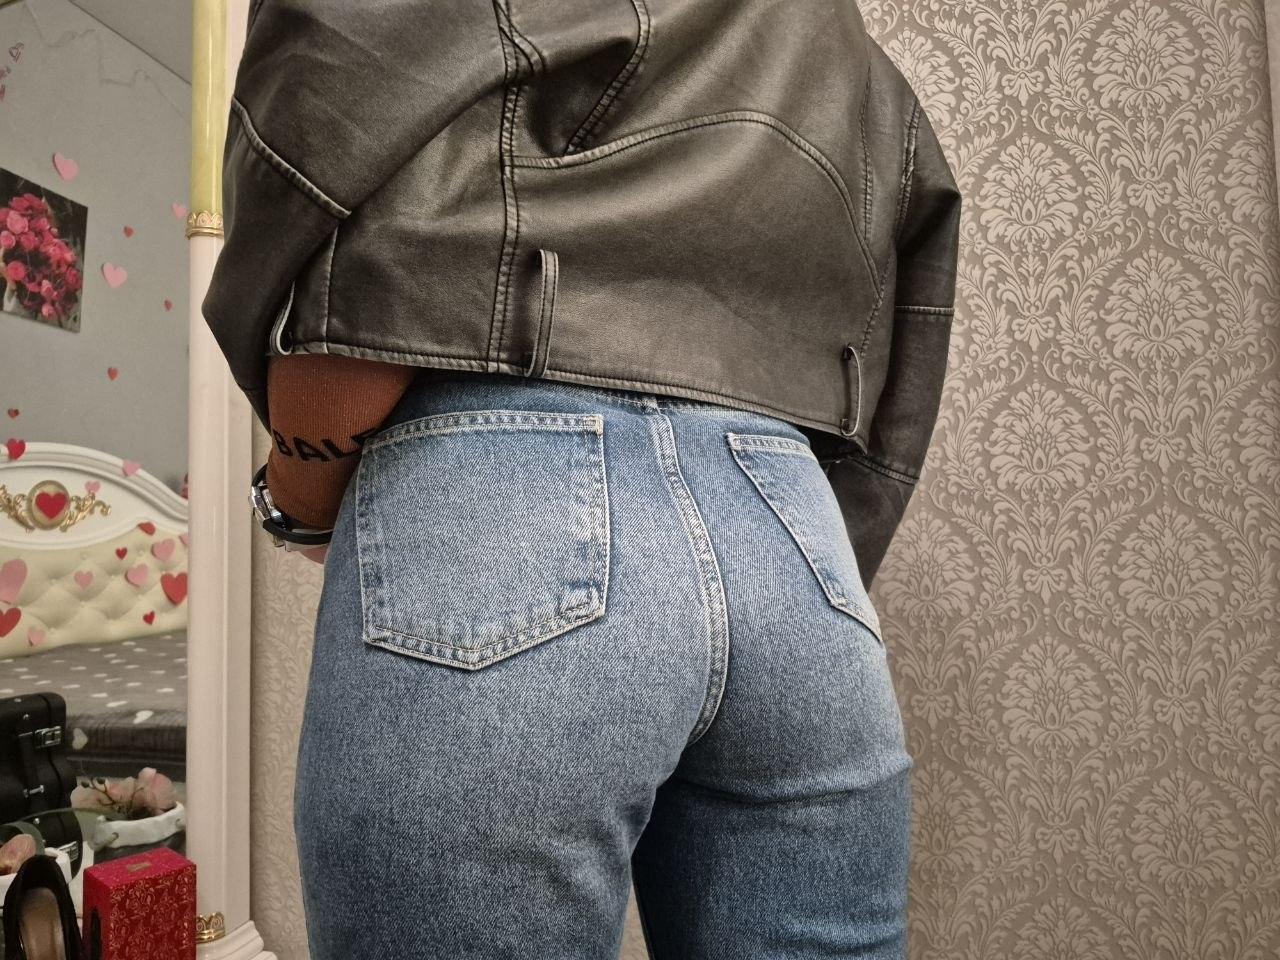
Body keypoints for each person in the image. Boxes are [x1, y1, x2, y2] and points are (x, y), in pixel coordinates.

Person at [203, 1, 961, 957]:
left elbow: (336, 129)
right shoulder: (841, 39)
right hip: (793, 542)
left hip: (504, 490)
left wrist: (301, 491)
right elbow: (912, 289)